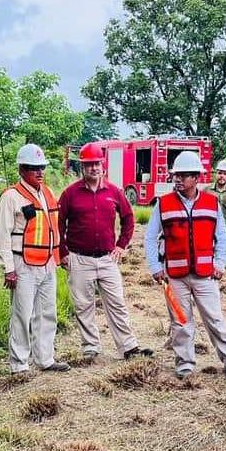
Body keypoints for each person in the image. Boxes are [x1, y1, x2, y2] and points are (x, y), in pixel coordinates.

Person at [144, 151, 226, 382]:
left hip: (205, 275)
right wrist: (155, 267)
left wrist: (221, 263)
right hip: (175, 275)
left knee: (215, 319)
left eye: (184, 176)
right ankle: (185, 364)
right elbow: (150, 237)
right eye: (176, 176)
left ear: (196, 178)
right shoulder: (163, 204)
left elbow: (221, 237)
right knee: (181, 321)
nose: (178, 180)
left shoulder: (211, 203)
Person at [58, 141, 153, 361]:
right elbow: (59, 223)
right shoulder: (70, 194)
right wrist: (62, 252)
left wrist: (121, 245)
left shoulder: (114, 191)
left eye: (97, 163)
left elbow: (128, 218)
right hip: (79, 258)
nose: (93, 168)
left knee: (117, 303)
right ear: (82, 167)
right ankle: (91, 347)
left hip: (107, 258)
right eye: (89, 164)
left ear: (103, 164)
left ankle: (129, 347)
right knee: (83, 305)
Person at [0, 144, 71, 375]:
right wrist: (8, 268)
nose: (39, 172)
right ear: (21, 169)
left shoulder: (47, 193)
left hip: (47, 262)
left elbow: (54, 227)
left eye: (41, 168)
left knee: (47, 313)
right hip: (23, 263)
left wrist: (59, 257)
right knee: (22, 314)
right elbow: (2, 236)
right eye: (33, 168)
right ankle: (19, 365)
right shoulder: (11, 196)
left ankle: (45, 358)